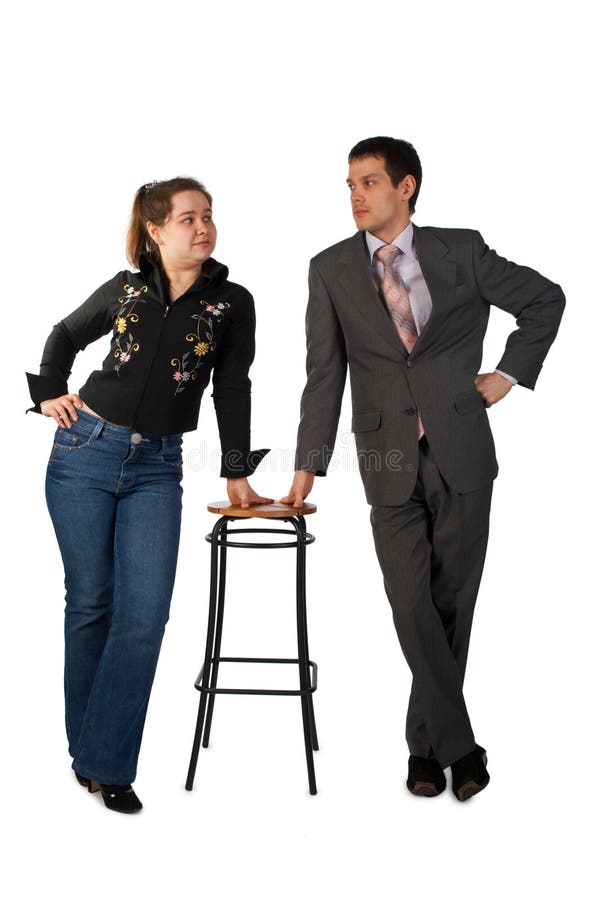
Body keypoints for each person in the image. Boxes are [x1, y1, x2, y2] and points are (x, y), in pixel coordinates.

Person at [282, 137, 565, 801]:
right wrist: (307, 464)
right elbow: (323, 373)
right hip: (386, 458)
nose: (355, 195)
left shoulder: (460, 250)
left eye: (369, 181)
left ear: (406, 186)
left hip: (461, 448)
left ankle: (423, 750)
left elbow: (543, 299)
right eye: (349, 182)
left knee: (450, 606)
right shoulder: (329, 268)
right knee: (410, 605)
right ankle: (461, 747)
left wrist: (507, 375)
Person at [26, 177, 271, 813]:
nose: (203, 227)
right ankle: (93, 757)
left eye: (209, 216)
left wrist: (237, 471)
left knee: (144, 615)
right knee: (90, 603)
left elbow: (233, 388)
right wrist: (49, 389)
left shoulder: (231, 303)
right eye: (188, 218)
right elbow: (64, 334)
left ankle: (101, 761)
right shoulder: (126, 288)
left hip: (158, 468)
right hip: (84, 451)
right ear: (156, 230)